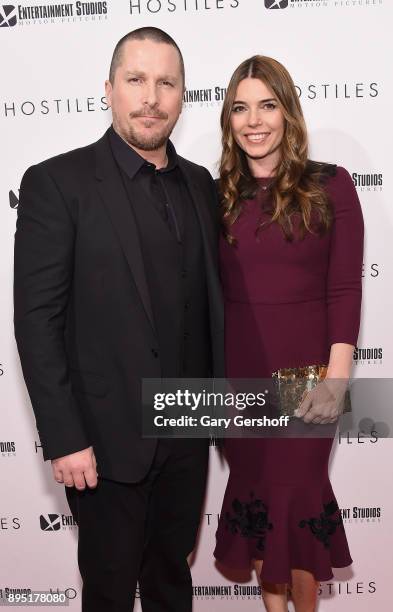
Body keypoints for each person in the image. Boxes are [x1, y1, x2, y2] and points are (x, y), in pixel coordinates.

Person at [14, 27, 223, 612]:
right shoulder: (57, 183)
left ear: (183, 96)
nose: (150, 97)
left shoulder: (202, 186)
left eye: (166, 83)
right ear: (109, 90)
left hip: (186, 433)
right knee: (107, 592)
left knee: (171, 585)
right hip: (102, 447)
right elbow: (37, 321)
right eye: (136, 80)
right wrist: (66, 438)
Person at [213, 56, 363, 612]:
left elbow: (345, 287)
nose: (255, 120)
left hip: (308, 381)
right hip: (239, 383)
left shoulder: (331, 186)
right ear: (229, 120)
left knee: (295, 501)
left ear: (288, 111)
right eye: (240, 107)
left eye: (267, 105)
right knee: (256, 503)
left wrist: (338, 377)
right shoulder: (218, 196)